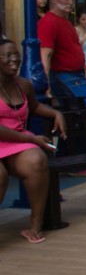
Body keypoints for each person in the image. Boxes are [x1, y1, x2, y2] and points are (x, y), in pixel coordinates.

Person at [0, 39, 67, 244]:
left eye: (16, 55)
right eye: (8, 56)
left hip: (16, 142)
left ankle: (35, 224)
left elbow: (35, 107)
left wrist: (55, 113)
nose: (15, 59)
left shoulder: (23, 84)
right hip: (15, 137)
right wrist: (30, 138)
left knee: (37, 160)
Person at [38, 0, 86, 175]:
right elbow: (45, 54)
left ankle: (68, 160)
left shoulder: (64, 21)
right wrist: (45, 83)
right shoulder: (49, 22)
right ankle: (78, 163)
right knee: (84, 114)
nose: (69, 2)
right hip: (64, 76)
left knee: (75, 117)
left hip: (74, 75)